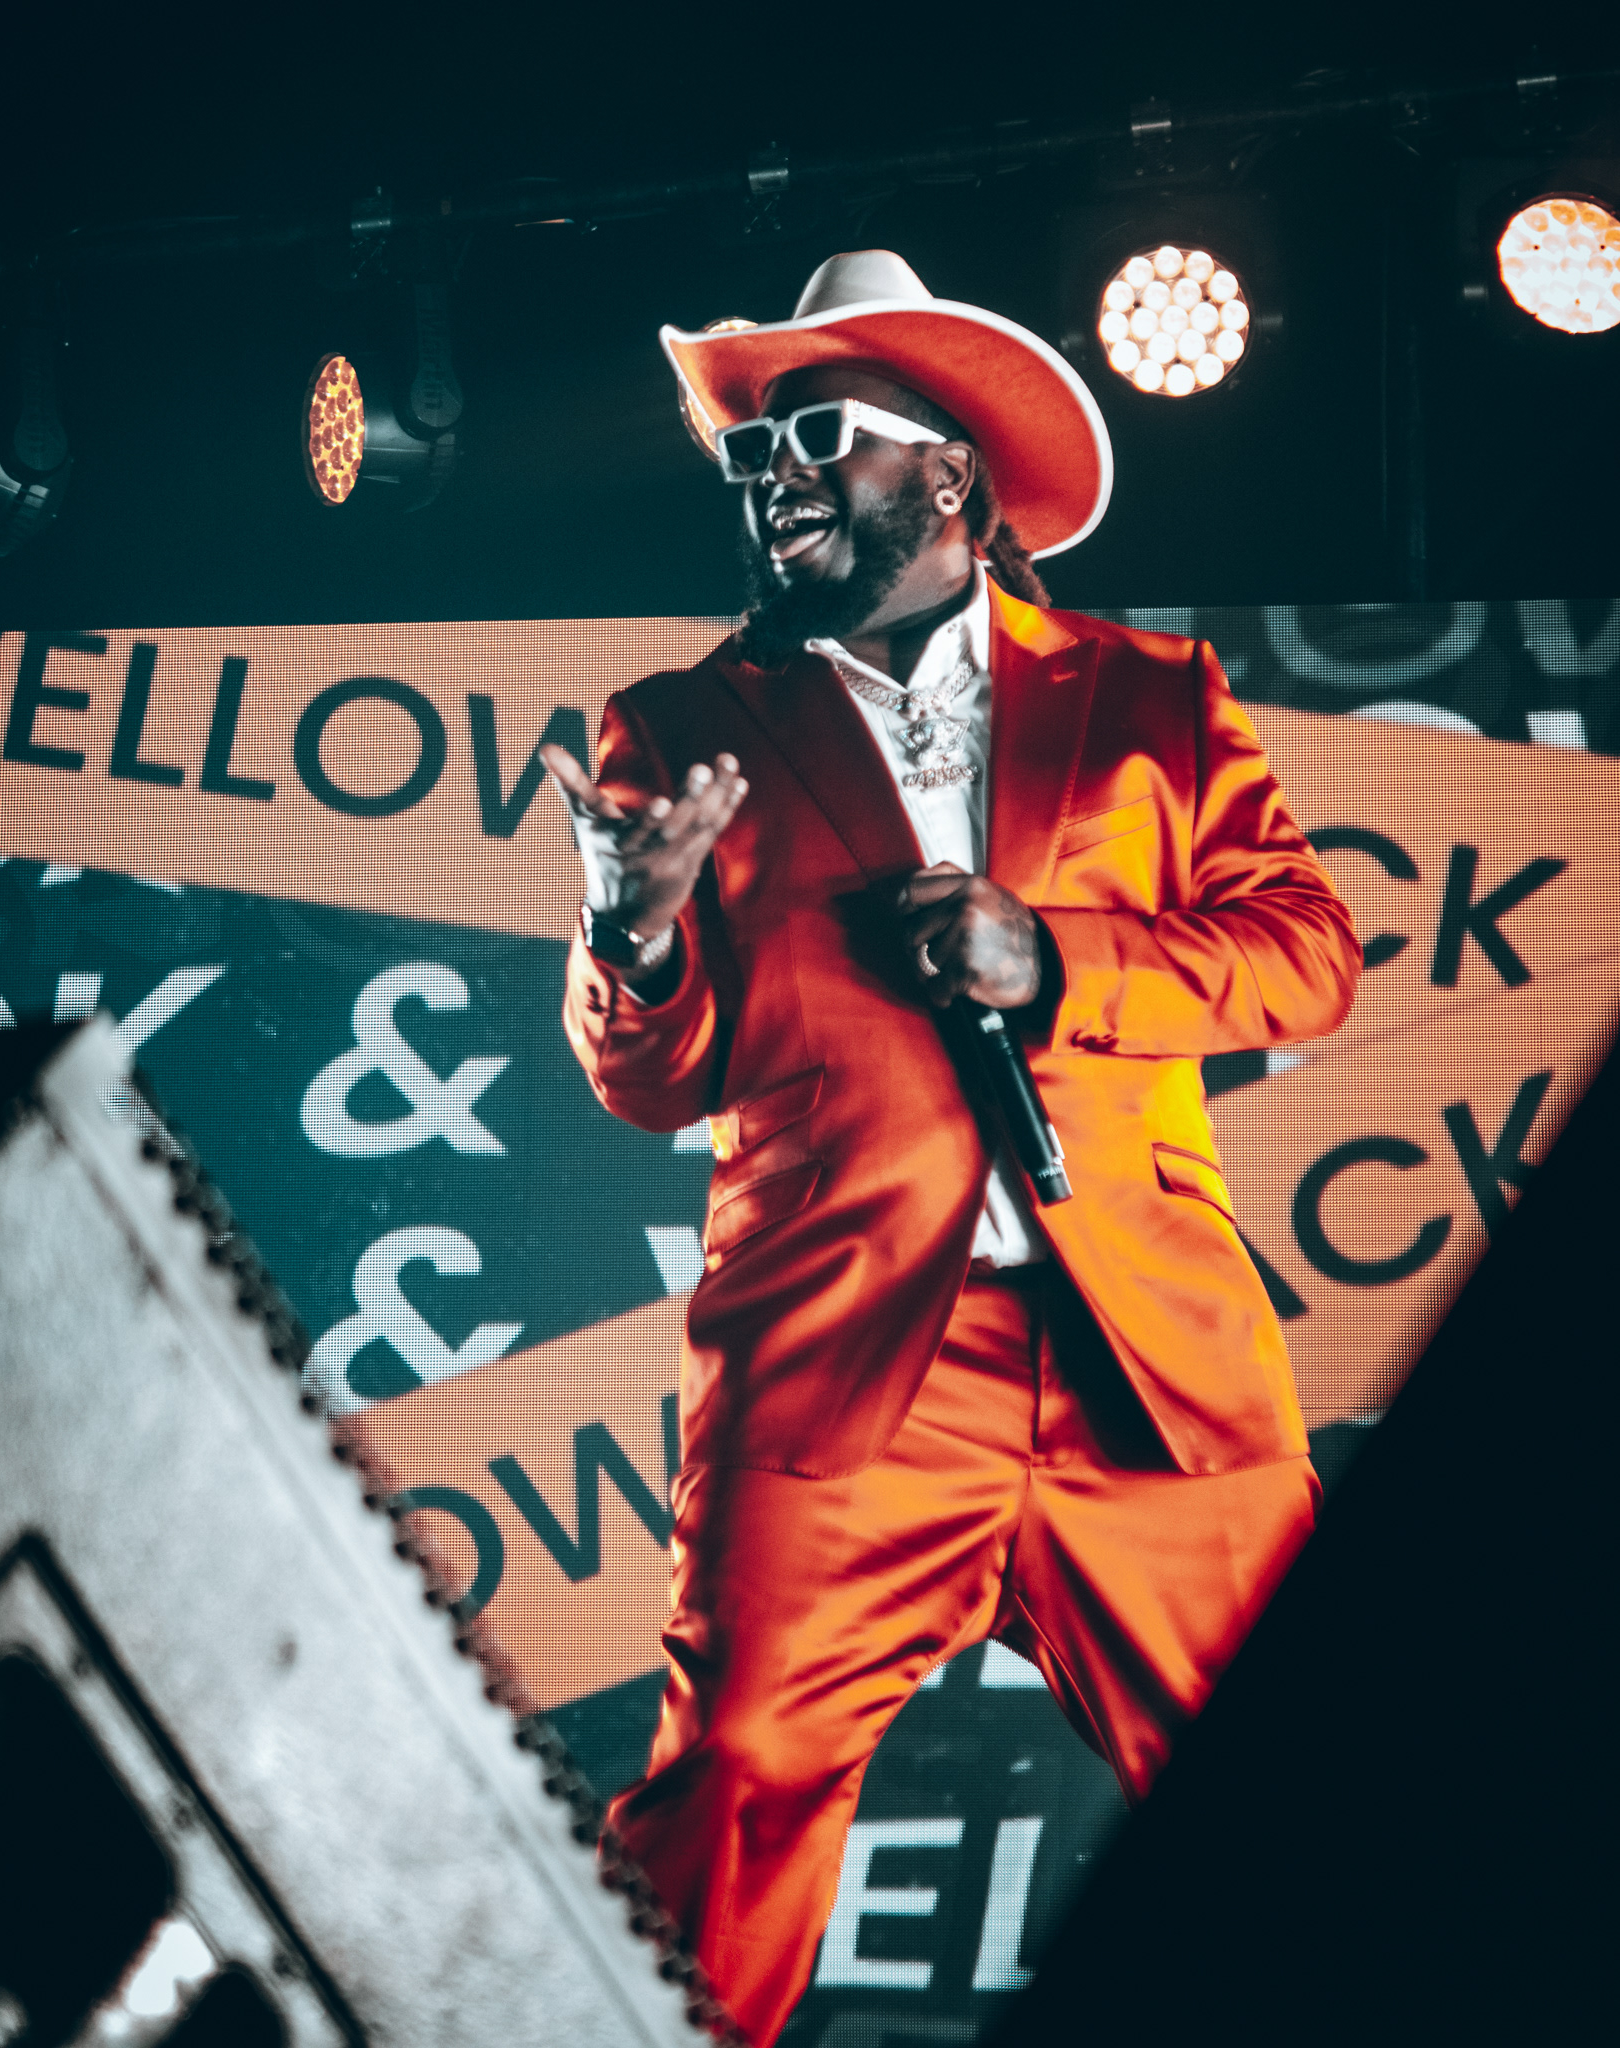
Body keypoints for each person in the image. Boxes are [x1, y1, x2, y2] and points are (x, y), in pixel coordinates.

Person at [541, 249, 1361, 2047]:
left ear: (950, 473)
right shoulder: (676, 729)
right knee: (723, 1807)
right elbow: (653, 1083)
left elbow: (1307, 957)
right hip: (841, 1371)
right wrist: (634, 936)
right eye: (751, 449)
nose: (772, 474)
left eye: (814, 433)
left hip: (1145, 1367)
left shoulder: (1151, 698)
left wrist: (1052, 959)